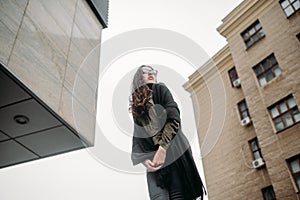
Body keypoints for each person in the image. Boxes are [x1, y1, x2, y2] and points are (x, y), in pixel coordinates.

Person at [129, 65, 206, 200]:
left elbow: (173, 118)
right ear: (138, 78)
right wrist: (144, 160)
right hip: (154, 163)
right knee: (158, 197)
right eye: (146, 72)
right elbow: (137, 137)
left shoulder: (160, 89)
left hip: (173, 153)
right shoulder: (137, 107)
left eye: (153, 71)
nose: (151, 73)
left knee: (178, 196)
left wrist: (162, 148)